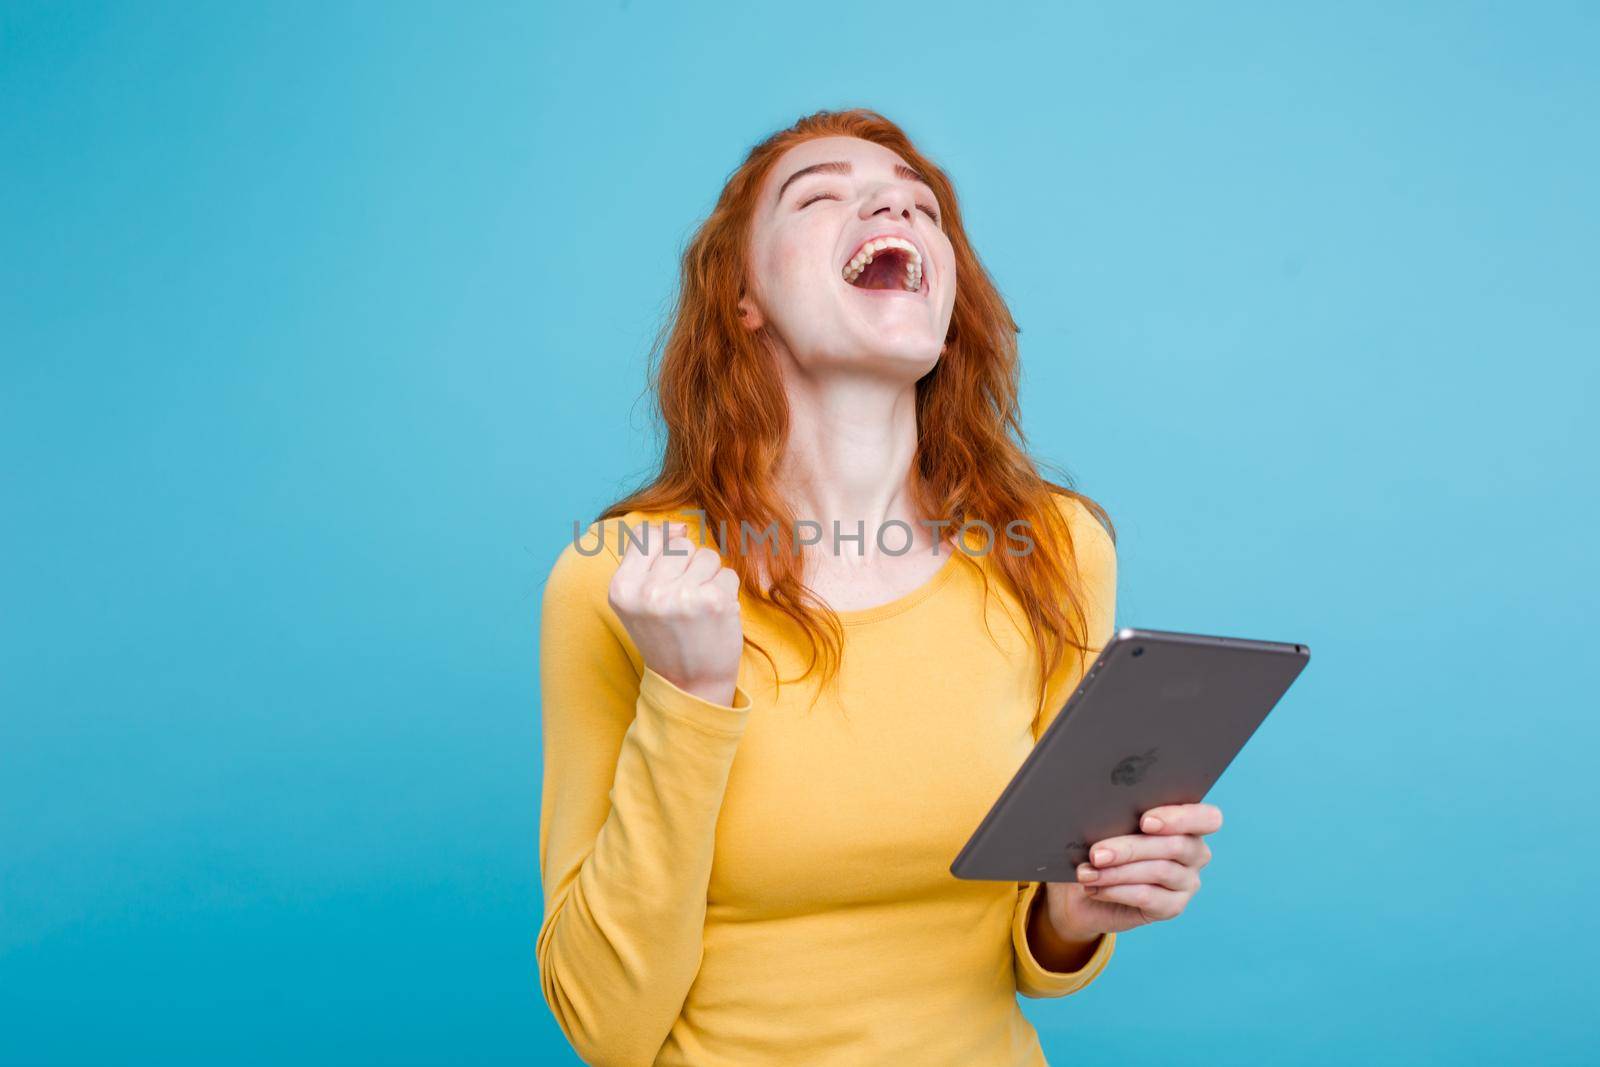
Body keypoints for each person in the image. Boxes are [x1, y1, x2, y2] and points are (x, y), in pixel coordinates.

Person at [536, 108, 1222, 1066]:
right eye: (819, 194)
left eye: (921, 203)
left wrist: (1076, 912)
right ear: (745, 297)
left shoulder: (1054, 549)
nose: (895, 201)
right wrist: (686, 700)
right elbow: (601, 1025)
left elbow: (1034, 950)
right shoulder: (624, 577)